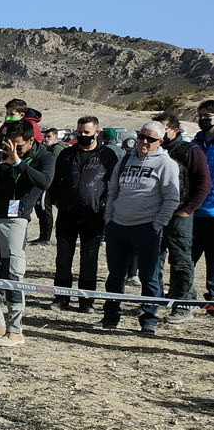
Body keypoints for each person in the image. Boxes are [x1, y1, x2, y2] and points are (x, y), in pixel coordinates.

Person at [0, 119, 55, 347]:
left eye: (19, 146)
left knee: (12, 276)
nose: (12, 150)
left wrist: (18, 163)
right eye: (8, 145)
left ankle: (16, 331)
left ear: (30, 141)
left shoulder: (45, 157)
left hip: (16, 222)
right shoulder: (1, 154)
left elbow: (44, 182)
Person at [101, 121, 181, 335]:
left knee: (149, 276)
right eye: (141, 136)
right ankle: (110, 315)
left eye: (151, 139)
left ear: (160, 142)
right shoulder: (126, 159)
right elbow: (113, 191)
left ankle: (149, 319)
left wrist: (157, 224)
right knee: (115, 275)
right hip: (119, 226)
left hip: (147, 228)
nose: (144, 142)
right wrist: (109, 218)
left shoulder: (166, 164)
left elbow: (171, 199)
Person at [48, 115, 119, 313]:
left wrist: (104, 204)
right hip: (67, 214)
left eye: (86, 132)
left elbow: (113, 184)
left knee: (89, 259)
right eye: (79, 132)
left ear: (97, 133)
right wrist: (56, 201)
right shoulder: (66, 154)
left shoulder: (108, 156)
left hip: (94, 216)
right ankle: (61, 298)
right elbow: (56, 181)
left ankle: (86, 301)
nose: (82, 136)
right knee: (63, 258)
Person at [151, 112, 213, 324]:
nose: (157, 134)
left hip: (179, 213)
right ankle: (154, 301)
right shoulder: (154, 150)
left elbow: (204, 184)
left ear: (174, 131)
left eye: (162, 129)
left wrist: (188, 209)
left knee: (180, 260)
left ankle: (183, 304)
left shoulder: (190, 151)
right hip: (154, 213)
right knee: (153, 259)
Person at [192, 100, 214, 313]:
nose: (203, 121)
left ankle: (212, 302)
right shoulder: (195, 143)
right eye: (200, 116)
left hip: (213, 212)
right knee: (187, 257)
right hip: (194, 210)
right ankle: (183, 298)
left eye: (207, 117)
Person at [30, 128, 67, 245]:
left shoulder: (56, 149)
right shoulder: (49, 149)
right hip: (48, 183)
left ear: (56, 137)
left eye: (49, 137)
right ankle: (43, 236)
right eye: (45, 137)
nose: (46, 139)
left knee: (44, 209)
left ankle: (45, 237)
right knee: (41, 209)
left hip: (49, 184)